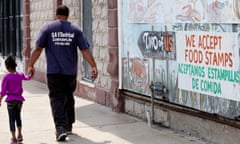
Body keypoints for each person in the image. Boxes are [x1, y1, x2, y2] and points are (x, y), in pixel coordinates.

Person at [27, 5, 98, 141]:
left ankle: (60, 127)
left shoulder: (48, 28)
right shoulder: (75, 30)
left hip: (54, 72)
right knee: (68, 96)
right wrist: (93, 66)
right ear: (67, 15)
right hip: (70, 72)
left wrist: (31, 65)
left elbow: (38, 49)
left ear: (56, 14)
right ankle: (69, 124)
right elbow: (85, 50)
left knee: (56, 98)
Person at [0, 56, 31, 144]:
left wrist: (0, 100)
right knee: (18, 118)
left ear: (7, 67)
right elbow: (28, 77)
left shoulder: (6, 77)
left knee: (11, 119)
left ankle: (13, 138)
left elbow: (3, 92)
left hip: (10, 101)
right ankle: (20, 135)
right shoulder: (20, 75)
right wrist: (31, 73)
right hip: (19, 101)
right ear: (15, 66)